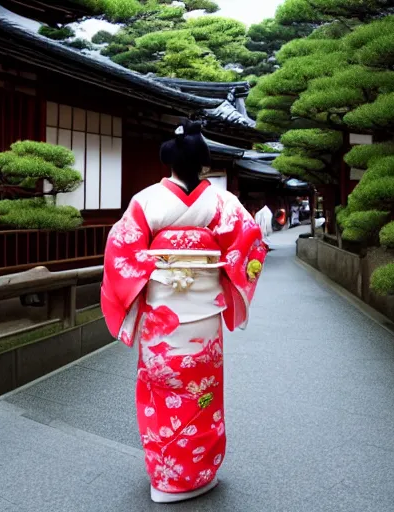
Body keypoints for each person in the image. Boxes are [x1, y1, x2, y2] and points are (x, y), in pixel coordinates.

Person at [99, 120, 266, 503]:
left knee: (163, 391)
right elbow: (249, 245)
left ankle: (167, 475)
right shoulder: (224, 204)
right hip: (204, 325)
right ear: (203, 165)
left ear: (168, 163)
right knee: (202, 393)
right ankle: (200, 470)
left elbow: (120, 252)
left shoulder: (146, 201)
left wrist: (153, 272)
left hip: (162, 322)